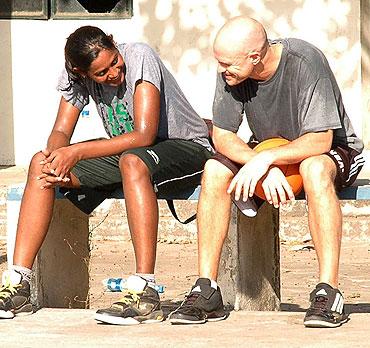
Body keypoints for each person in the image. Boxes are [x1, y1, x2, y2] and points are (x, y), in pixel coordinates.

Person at [0, 26, 213, 325]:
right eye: (101, 74)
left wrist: (77, 153)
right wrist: (57, 157)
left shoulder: (139, 56)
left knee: (132, 162)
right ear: (81, 72)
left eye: (114, 62)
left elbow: (144, 134)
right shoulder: (72, 75)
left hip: (186, 148)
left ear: (114, 44)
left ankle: (146, 292)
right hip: (130, 154)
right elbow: (61, 131)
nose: (113, 73)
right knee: (40, 165)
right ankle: (18, 285)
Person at [169, 16, 365, 328]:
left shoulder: (305, 61)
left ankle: (329, 292)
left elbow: (321, 139)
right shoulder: (232, 72)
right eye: (219, 62)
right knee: (215, 169)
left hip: (329, 150)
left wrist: (265, 160)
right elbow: (222, 136)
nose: (222, 70)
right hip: (270, 151)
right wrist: (259, 162)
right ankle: (207, 289)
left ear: (255, 57)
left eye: (228, 64)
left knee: (313, 169)